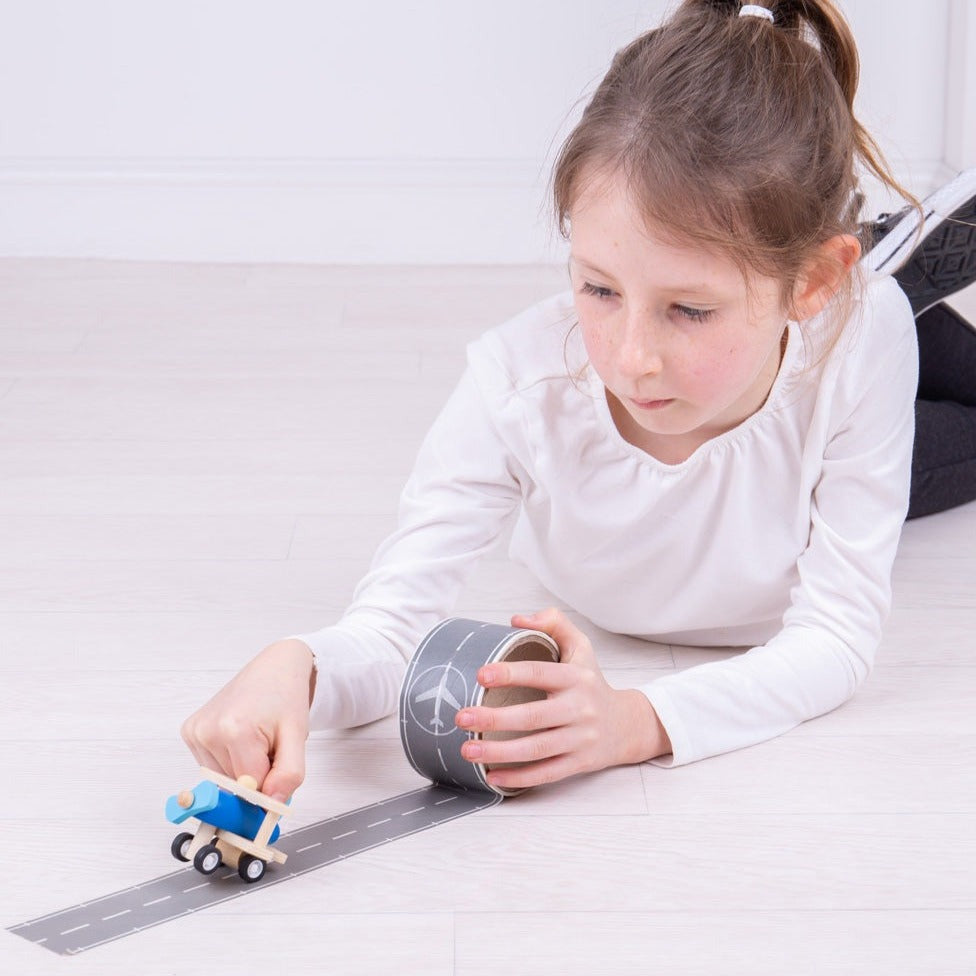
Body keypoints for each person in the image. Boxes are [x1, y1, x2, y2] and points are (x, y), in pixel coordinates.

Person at [181, 0, 976, 803]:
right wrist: (299, 667)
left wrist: (633, 721)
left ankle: (888, 264)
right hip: (799, 424)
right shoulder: (515, 389)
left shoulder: (858, 335)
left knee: (890, 324)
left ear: (811, 282)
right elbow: (389, 629)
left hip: (842, 368)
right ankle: (868, 260)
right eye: (598, 287)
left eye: (687, 309)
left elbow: (836, 638)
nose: (629, 360)